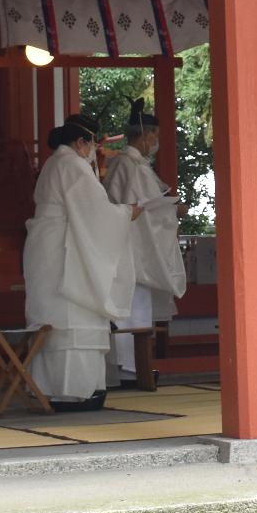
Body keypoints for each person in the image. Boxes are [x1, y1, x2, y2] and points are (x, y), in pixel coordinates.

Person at [26, 118, 141, 410]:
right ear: (81, 143)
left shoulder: (54, 163)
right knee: (74, 315)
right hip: (65, 251)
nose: (92, 152)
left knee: (53, 317)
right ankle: (76, 392)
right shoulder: (73, 166)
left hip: (46, 247)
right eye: (92, 145)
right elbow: (96, 212)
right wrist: (127, 213)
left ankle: (49, 389)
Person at [104, 100, 186, 386]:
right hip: (133, 246)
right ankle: (130, 370)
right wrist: (172, 209)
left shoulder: (129, 165)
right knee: (132, 308)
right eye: (156, 136)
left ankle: (132, 367)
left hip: (128, 245)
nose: (157, 142)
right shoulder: (130, 165)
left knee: (135, 308)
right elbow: (143, 207)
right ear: (145, 134)